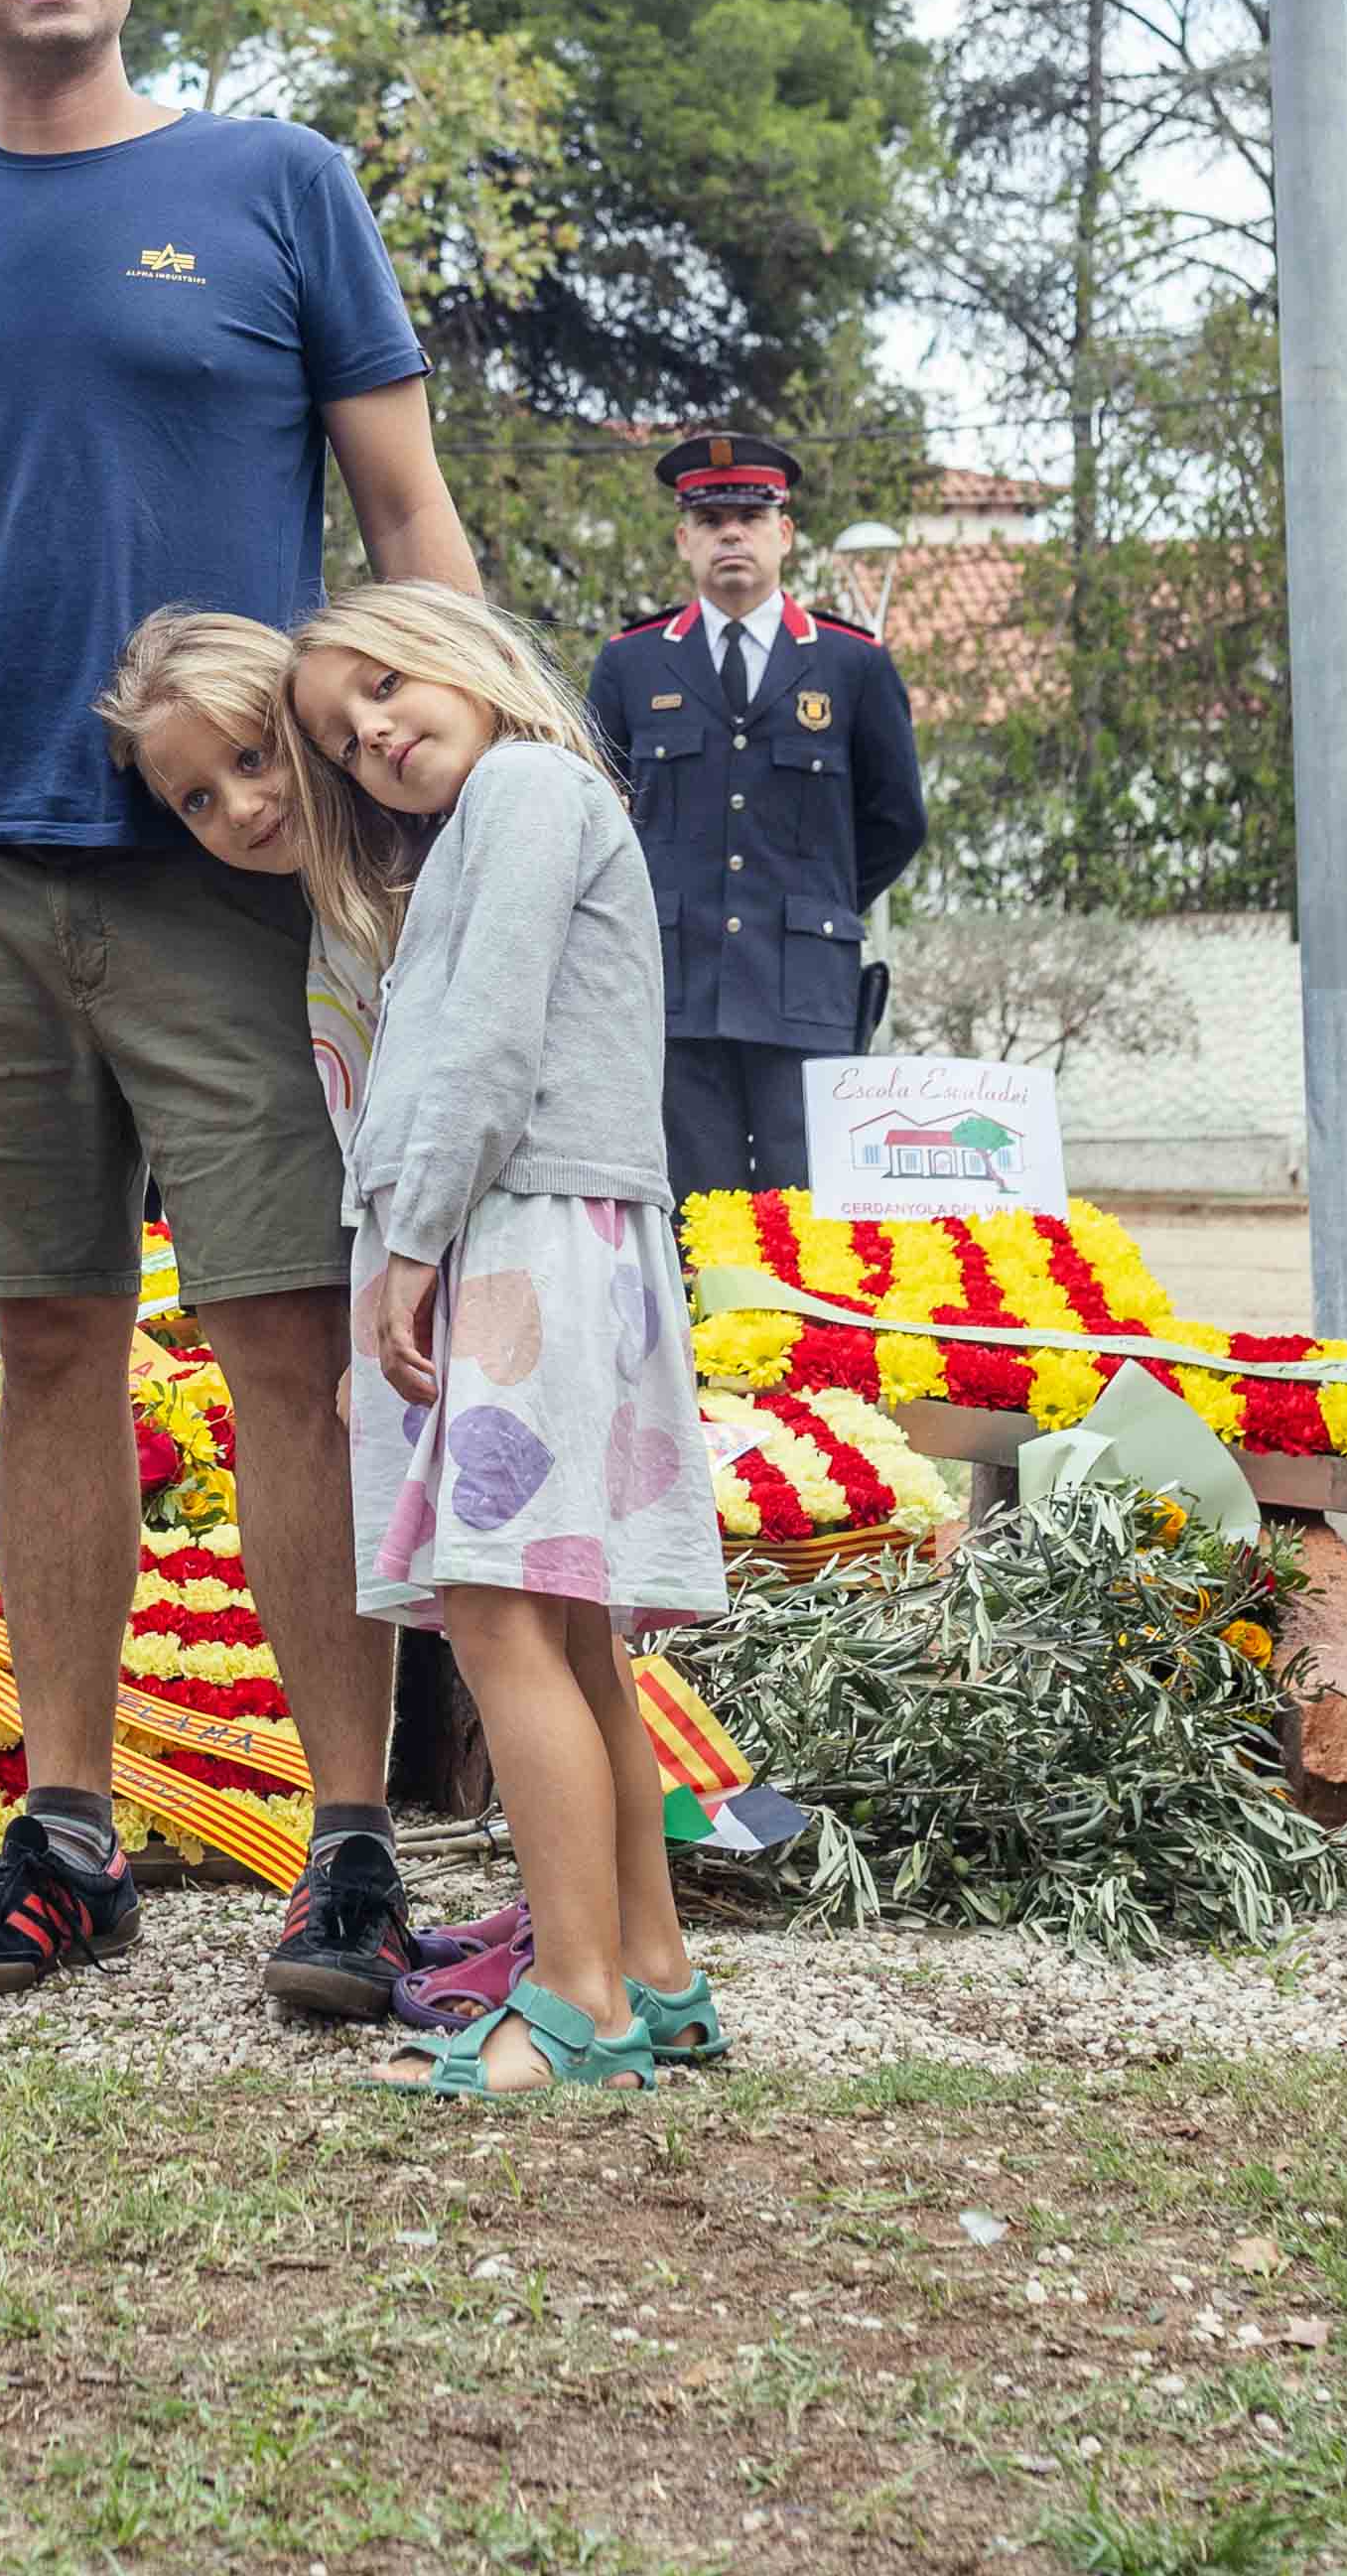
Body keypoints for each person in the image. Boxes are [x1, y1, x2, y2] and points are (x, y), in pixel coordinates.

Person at [0, 0, 484, 2015]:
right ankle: (65, 1834)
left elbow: (409, 525)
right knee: (44, 1349)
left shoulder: (274, 185)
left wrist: (453, 803)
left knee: (290, 1357)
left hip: (241, 873)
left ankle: (346, 1843)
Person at [284, 581, 726, 2095]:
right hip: (543, 1233)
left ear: (470, 658)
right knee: (566, 1622)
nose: (375, 733)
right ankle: (649, 1966)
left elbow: (485, 1045)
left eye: (389, 686)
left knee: (499, 1615)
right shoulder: (508, 814)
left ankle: (577, 1999)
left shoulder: (527, 787)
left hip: (518, 1234)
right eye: (343, 737)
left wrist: (408, 1244)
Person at [588, 433, 924, 1201]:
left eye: (749, 514)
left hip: (805, 990)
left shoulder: (853, 663)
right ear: (684, 540)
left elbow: (897, 818)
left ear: (785, 533)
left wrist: (820, 903)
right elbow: (597, 814)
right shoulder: (631, 664)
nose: (730, 533)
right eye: (711, 520)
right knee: (688, 1226)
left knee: (807, 1220)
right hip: (675, 992)